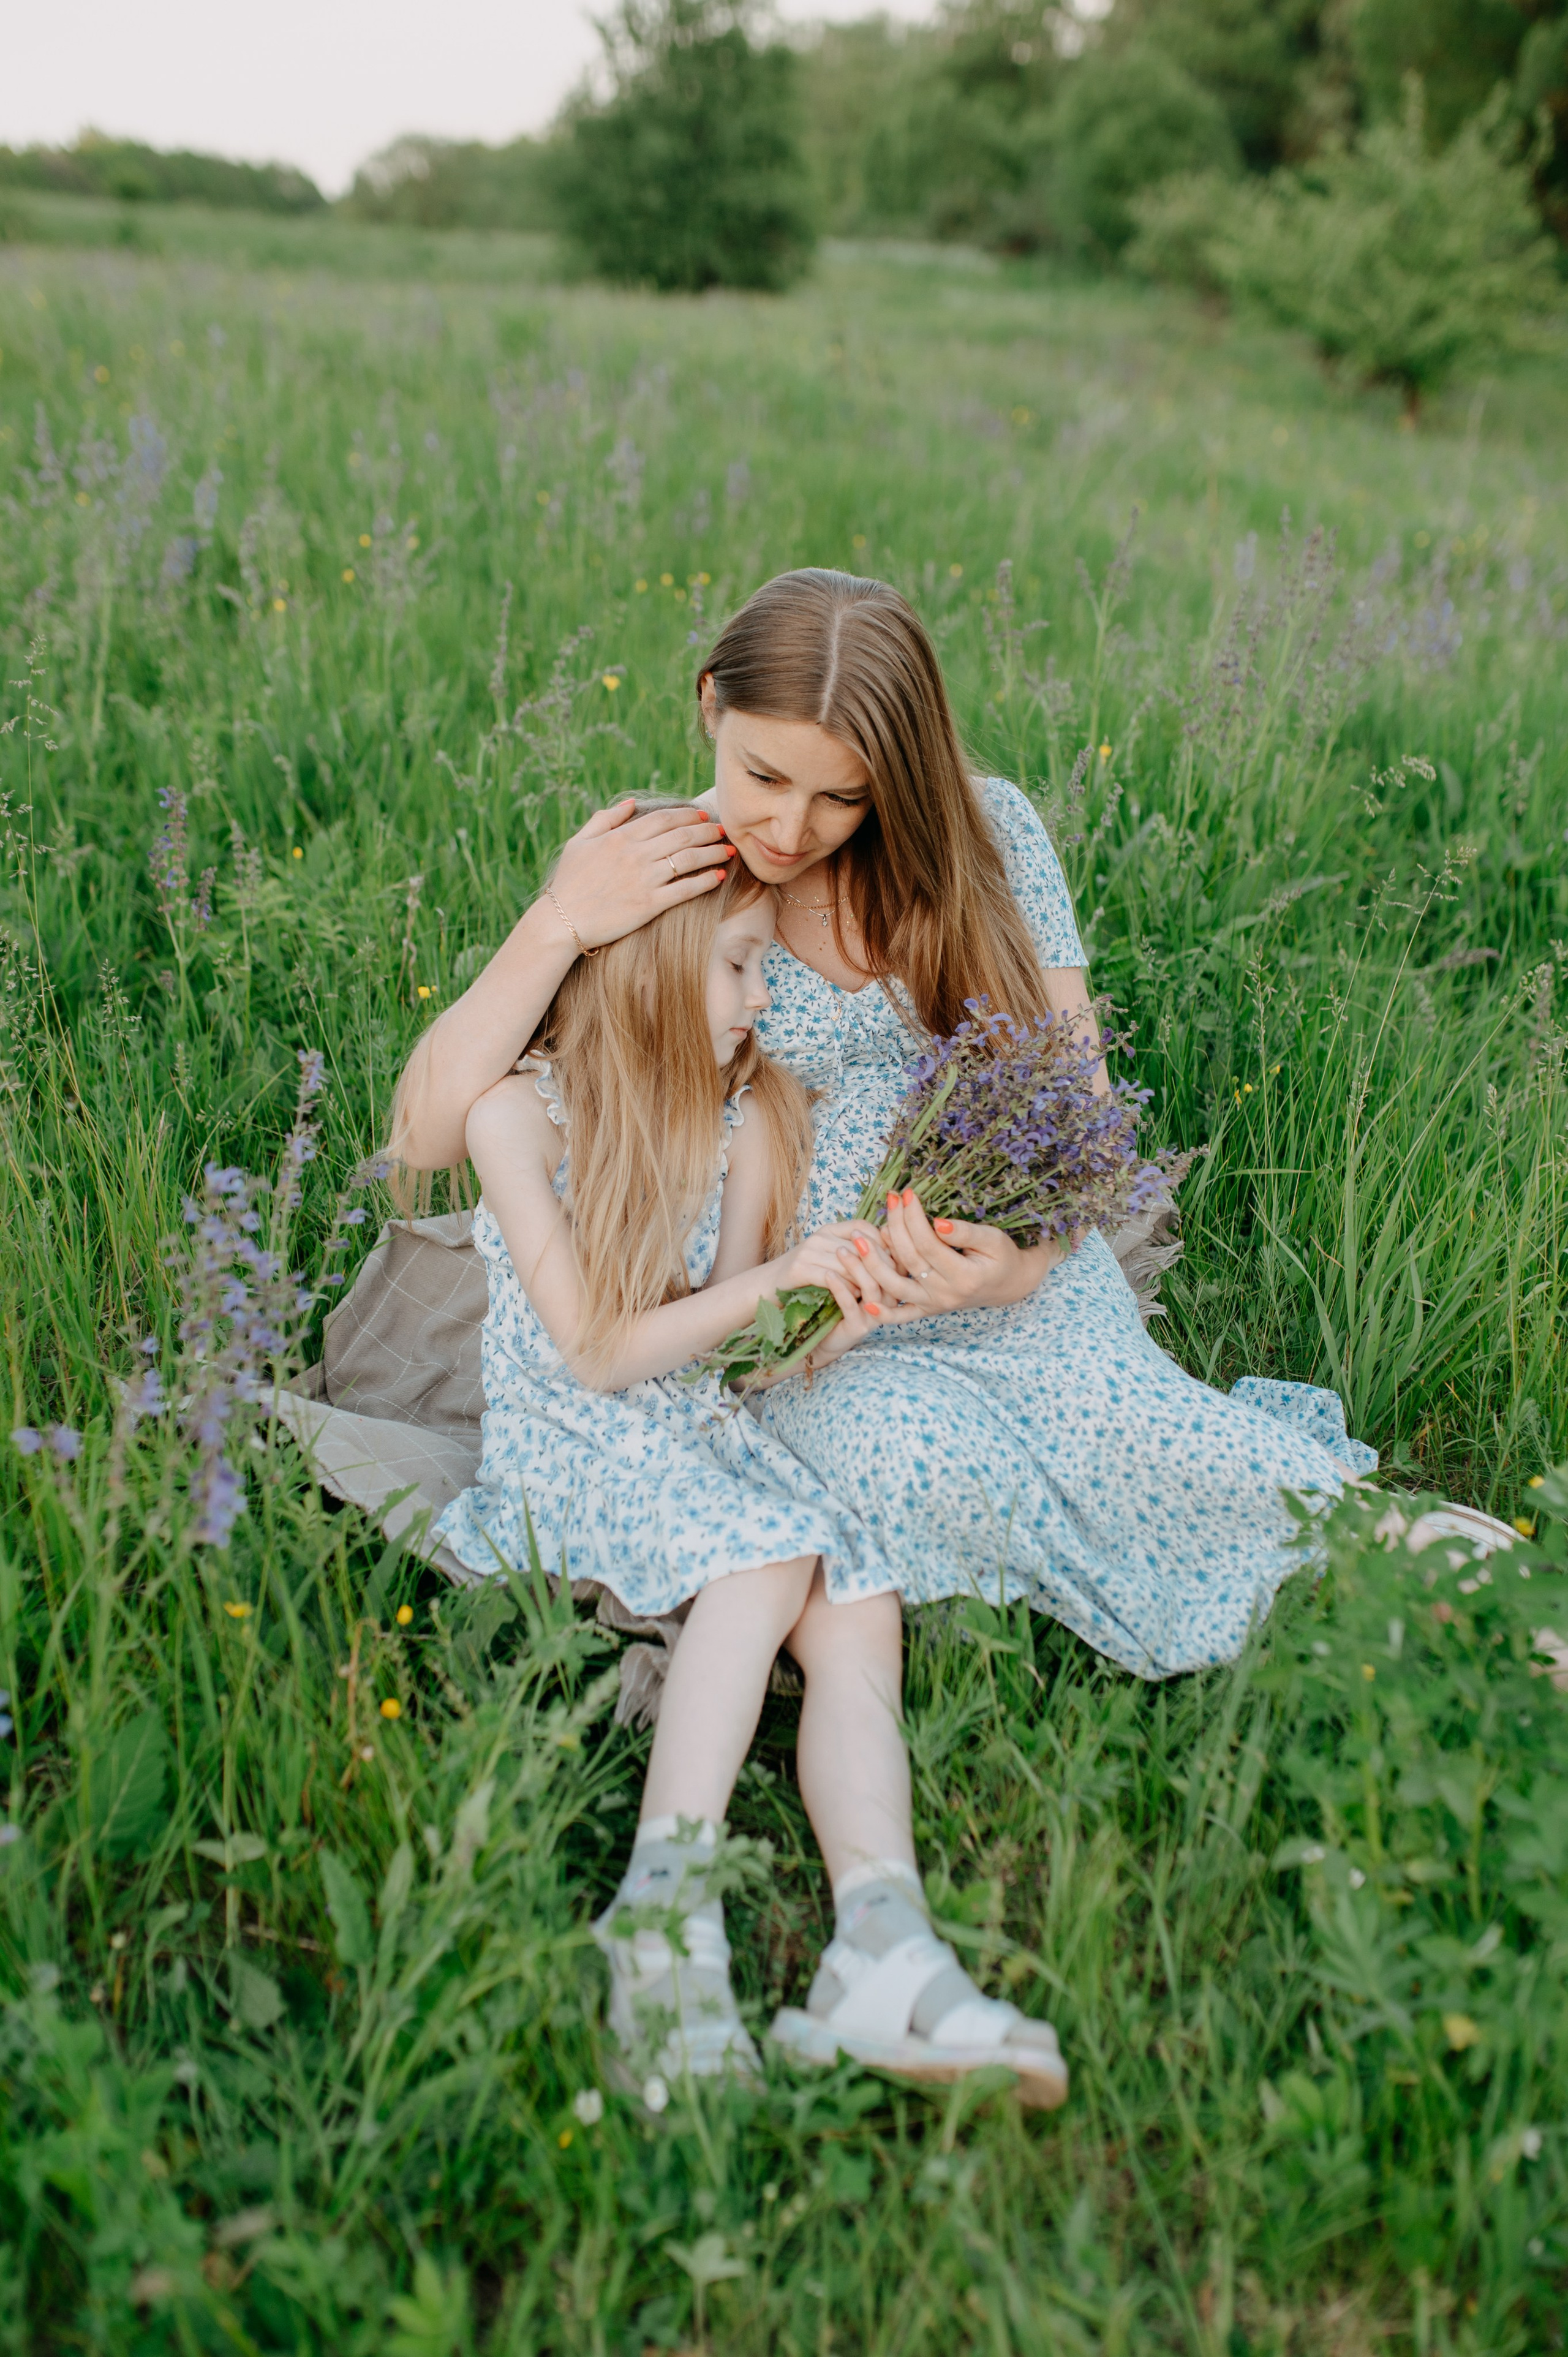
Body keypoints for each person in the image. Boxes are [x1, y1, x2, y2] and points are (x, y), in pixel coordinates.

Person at [420, 839, 1069, 2107]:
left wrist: (836, 1309)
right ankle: (659, 1918)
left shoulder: (752, 1112)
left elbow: (733, 1355)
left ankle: (881, 1937)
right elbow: (598, 1349)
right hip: (572, 1441)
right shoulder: (518, 1115)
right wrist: (773, 1287)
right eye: (736, 964)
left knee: (856, 1583)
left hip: (689, 1430)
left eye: (761, 963)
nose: (762, 995)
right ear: (648, 966)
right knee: (771, 1548)